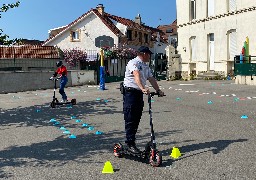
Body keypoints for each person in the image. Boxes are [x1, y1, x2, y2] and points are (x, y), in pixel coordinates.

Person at [122, 46, 164, 154]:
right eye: (149, 54)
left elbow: (151, 79)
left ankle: (132, 141)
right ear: (143, 54)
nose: (150, 56)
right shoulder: (133, 63)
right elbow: (136, 75)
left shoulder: (145, 66)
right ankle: (129, 144)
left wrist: (158, 90)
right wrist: (142, 87)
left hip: (139, 93)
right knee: (130, 118)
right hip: (130, 93)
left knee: (136, 118)